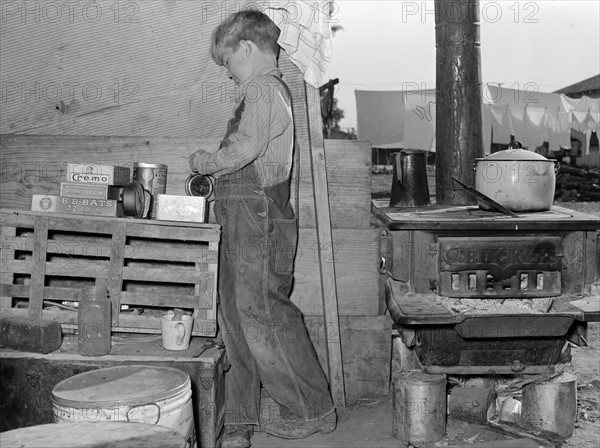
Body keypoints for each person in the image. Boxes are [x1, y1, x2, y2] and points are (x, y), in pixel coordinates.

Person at [189, 10, 336, 448]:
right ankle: (240, 417)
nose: (229, 74)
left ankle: (313, 409)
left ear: (248, 50)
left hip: (258, 216)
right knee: (234, 316)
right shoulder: (259, 92)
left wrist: (205, 162)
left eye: (229, 62)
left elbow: (245, 148)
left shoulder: (264, 91)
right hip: (240, 214)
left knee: (264, 314)